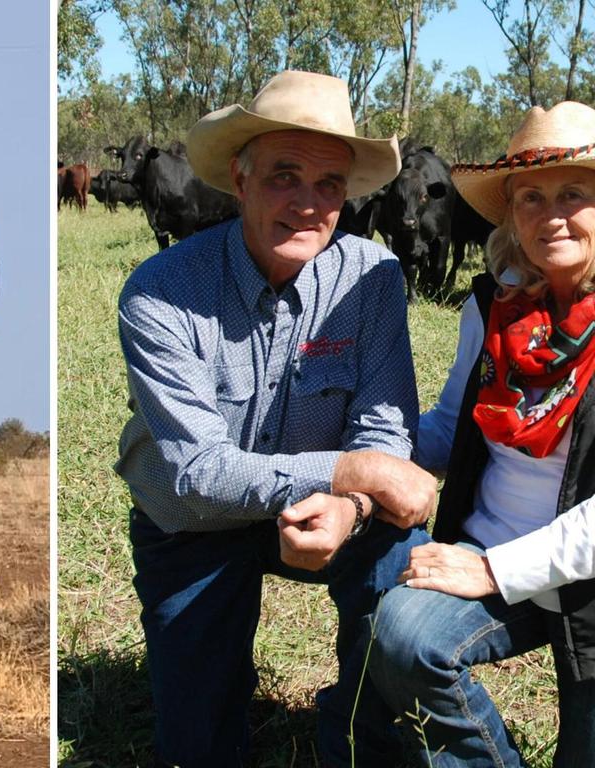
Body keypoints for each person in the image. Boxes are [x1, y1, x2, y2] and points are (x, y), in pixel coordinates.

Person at [114, 69, 438, 767]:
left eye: (328, 186)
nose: (307, 204)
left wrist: (352, 505)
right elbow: (199, 472)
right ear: (239, 178)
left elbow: (382, 425)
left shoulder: (372, 277)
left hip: (327, 504)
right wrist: (357, 471)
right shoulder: (161, 293)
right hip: (192, 522)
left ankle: (362, 734)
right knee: (196, 744)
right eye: (284, 177)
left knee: (396, 559)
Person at [369, 101, 595, 767]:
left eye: (575, 193)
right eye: (532, 196)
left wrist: (492, 567)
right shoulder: (493, 308)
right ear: (510, 215)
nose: (551, 214)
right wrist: (361, 457)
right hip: (494, 548)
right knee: (404, 636)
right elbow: (449, 425)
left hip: (579, 580)